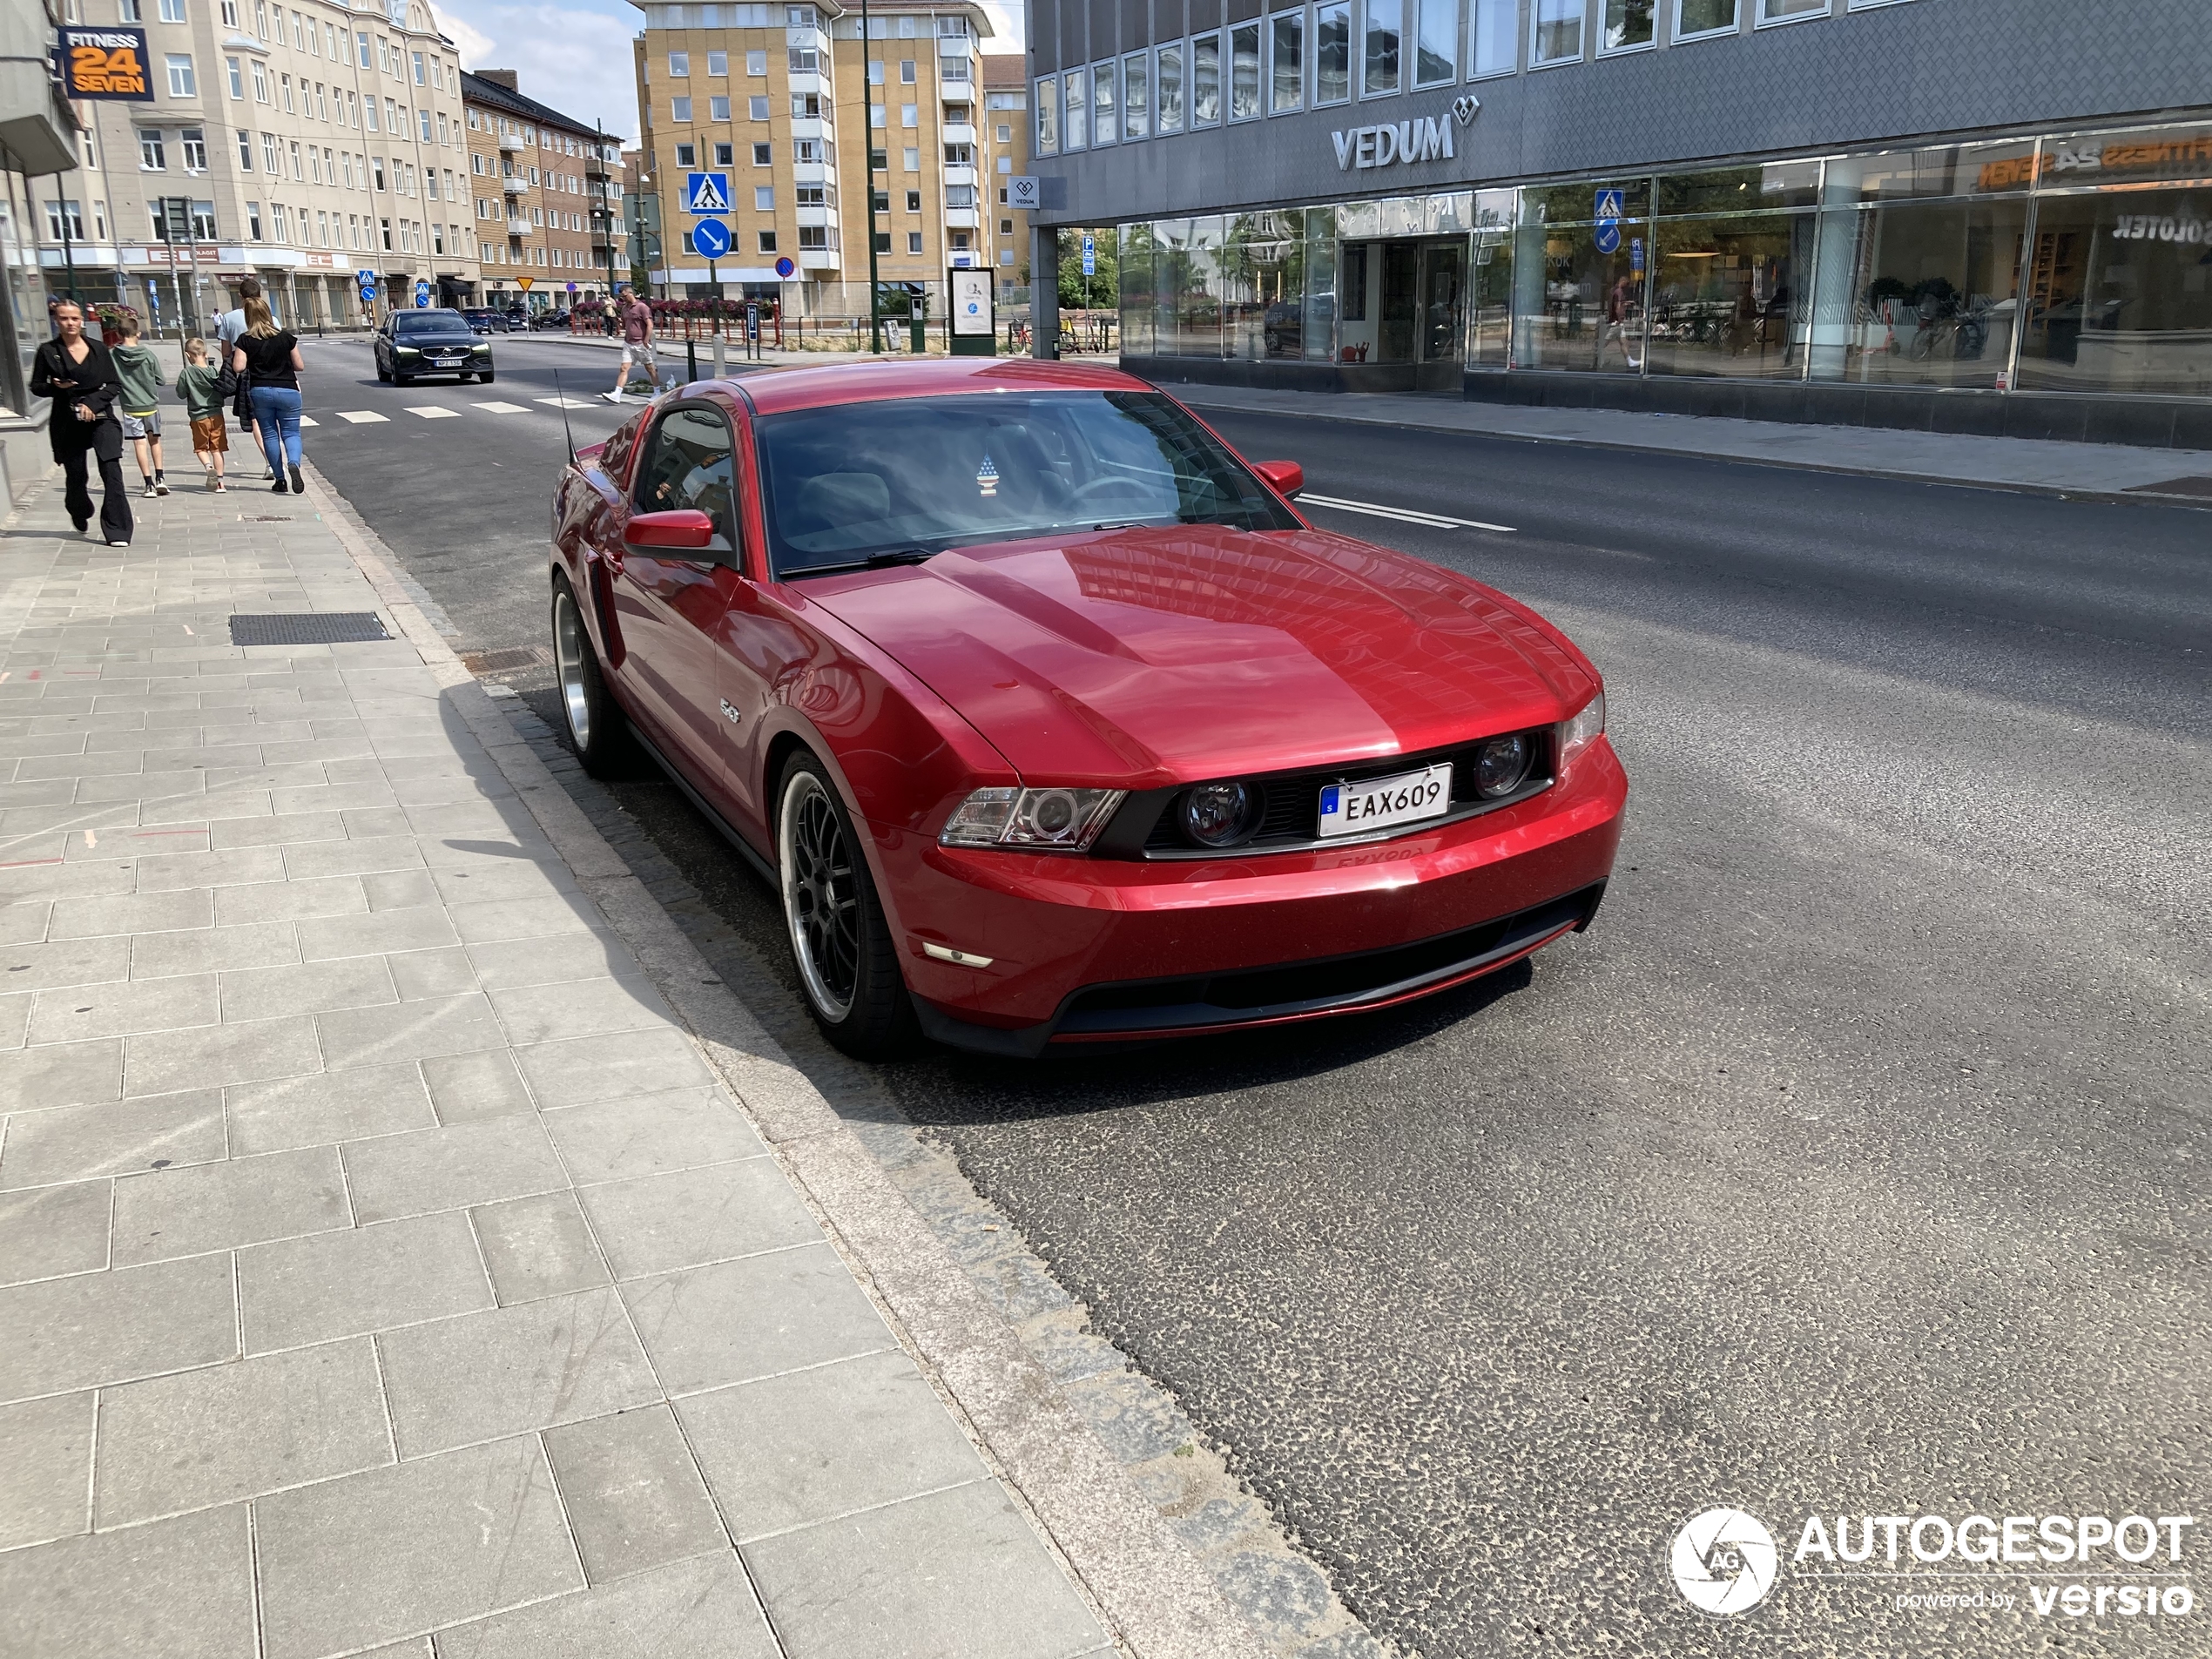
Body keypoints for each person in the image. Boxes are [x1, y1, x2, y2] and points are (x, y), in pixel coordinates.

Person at [30, 300, 133, 545]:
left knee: (111, 470)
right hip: (67, 419)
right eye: (64, 318)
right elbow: (36, 386)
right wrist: (55, 387)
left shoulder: (98, 349)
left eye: (74, 318)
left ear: (81, 321)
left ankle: (118, 530)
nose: (70, 323)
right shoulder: (47, 351)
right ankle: (79, 508)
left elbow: (114, 384)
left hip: (100, 417)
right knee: (76, 475)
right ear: (57, 321)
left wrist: (93, 403)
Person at [231, 293, 307, 495]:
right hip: (288, 390)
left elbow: (238, 367)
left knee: (270, 434)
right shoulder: (285, 337)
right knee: (291, 433)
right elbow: (299, 366)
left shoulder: (245, 340)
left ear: (248, 317)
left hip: (260, 391)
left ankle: (279, 479)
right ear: (268, 314)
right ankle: (294, 463)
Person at [107, 313, 168, 497]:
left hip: (130, 407)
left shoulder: (113, 356)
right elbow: (161, 380)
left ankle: (148, 484)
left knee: (139, 444)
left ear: (118, 334)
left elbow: (110, 378)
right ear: (138, 333)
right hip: (150, 404)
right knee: (155, 441)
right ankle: (160, 479)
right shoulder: (148, 355)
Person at [216, 277, 269, 476]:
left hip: (247, 373)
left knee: (255, 420)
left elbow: (225, 352)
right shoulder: (270, 317)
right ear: (260, 294)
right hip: (271, 370)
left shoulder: (229, 318)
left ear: (240, 295)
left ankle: (270, 463)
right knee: (272, 421)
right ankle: (284, 460)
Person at [175, 337, 229, 492]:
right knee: (217, 449)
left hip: (198, 416)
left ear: (188, 355)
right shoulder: (213, 372)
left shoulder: (187, 373)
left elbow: (180, 393)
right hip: (217, 415)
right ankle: (220, 483)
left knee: (201, 448)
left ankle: (208, 467)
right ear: (206, 354)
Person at [606, 286, 658, 402]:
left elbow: (649, 325)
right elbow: (624, 326)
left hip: (641, 343)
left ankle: (657, 392)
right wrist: (618, 323)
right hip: (628, 343)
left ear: (631, 293)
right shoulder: (625, 308)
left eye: (624, 296)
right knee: (623, 368)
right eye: (621, 297)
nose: (623, 299)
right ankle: (617, 394)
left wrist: (646, 340)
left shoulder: (642, 307)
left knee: (650, 368)